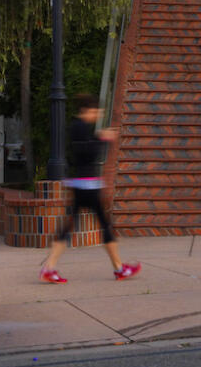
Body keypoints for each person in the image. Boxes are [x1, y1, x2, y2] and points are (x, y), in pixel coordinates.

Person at [41, 95, 139, 283]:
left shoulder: (81, 127)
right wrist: (103, 139)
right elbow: (85, 153)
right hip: (86, 185)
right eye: (95, 112)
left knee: (70, 227)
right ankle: (119, 268)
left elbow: (86, 149)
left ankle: (49, 267)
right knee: (103, 224)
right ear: (86, 110)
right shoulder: (79, 127)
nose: (96, 115)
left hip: (84, 184)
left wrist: (98, 138)